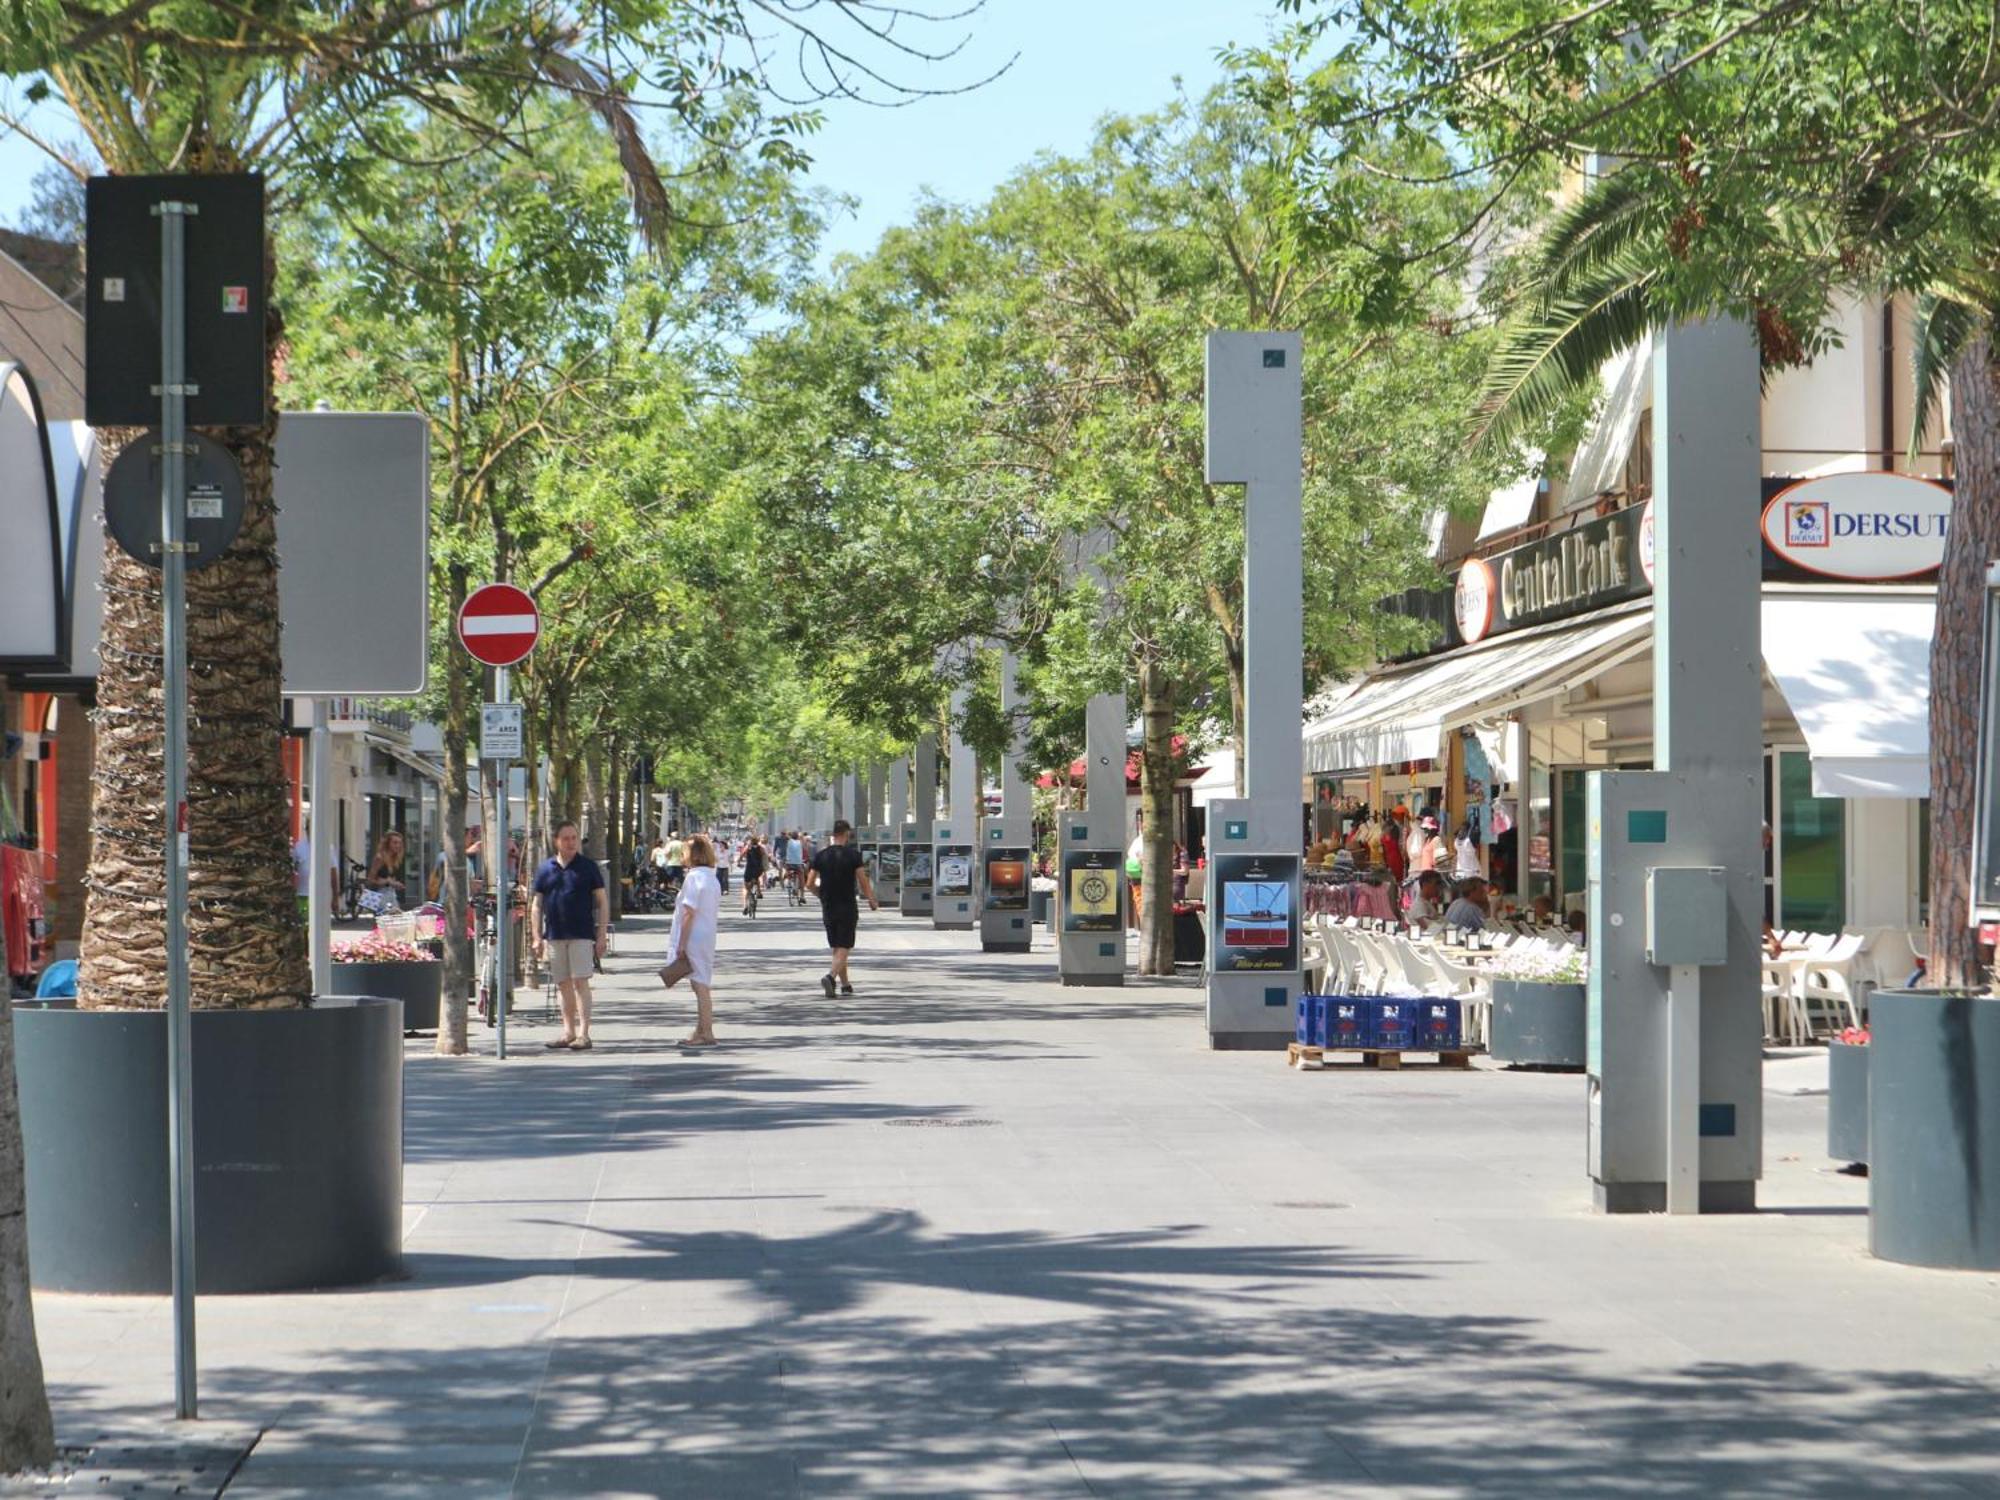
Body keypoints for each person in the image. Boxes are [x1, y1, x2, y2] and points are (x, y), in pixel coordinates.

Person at [530, 820, 609, 1051]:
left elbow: (602, 902)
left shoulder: (588, 867)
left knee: (580, 981)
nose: (571, 842)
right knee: (562, 983)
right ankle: (568, 1032)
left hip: (582, 933)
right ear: (556, 841)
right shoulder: (545, 869)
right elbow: (537, 904)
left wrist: (601, 933)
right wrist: (536, 936)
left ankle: (584, 1034)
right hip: (554, 934)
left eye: (574, 837)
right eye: (566, 838)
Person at [805, 819, 879, 997]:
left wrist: (821, 894)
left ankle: (845, 984)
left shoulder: (820, 856)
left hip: (828, 905)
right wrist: (871, 899)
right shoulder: (853, 856)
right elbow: (863, 880)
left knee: (838, 946)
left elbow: (809, 883)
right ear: (846, 834)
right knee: (845, 944)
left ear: (833, 834)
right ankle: (830, 977)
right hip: (847, 905)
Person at [662, 833, 723, 1045]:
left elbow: (688, 912)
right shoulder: (711, 877)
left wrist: (681, 943)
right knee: (701, 981)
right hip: (707, 934)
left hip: (694, 936)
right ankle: (701, 1029)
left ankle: (706, 1031)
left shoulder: (694, 877)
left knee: (700, 985)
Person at [361, 830, 407, 914]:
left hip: (391, 894)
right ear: (387, 844)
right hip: (380, 895)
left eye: (400, 843)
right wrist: (387, 881)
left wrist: (395, 883)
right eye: (395, 843)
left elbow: (389, 879)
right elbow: (370, 880)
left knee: (397, 920)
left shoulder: (395, 859)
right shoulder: (380, 858)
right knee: (388, 921)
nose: (398, 846)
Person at [740, 835, 768, 915]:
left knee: (745, 887)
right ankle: (759, 891)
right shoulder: (760, 848)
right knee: (757, 878)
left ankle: (745, 906)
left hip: (749, 869)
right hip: (758, 869)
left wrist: (739, 862)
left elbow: (741, 855)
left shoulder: (747, 847)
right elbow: (765, 856)